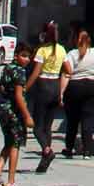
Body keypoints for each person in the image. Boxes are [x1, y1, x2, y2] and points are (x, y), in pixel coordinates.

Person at [0, 41, 33, 186]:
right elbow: (19, 96)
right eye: (24, 56)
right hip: (14, 112)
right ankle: (11, 182)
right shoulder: (20, 72)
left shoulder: (7, 68)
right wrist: (27, 116)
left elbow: (1, 88)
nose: (26, 59)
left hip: (3, 110)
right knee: (15, 145)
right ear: (16, 55)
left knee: (8, 143)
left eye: (29, 57)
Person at [58, 28, 94, 161]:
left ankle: (69, 148)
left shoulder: (72, 54)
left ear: (75, 40)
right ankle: (87, 151)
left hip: (74, 87)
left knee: (72, 120)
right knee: (87, 119)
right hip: (91, 86)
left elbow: (67, 73)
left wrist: (61, 93)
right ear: (89, 40)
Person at [26, 21, 67, 171]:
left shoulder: (42, 50)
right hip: (55, 86)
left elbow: (36, 72)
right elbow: (68, 69)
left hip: (43, 86)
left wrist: (26, 87)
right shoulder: (62, 50)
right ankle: (44, 161)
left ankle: (47, 150)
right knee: (48, 126)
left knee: (38, 127)